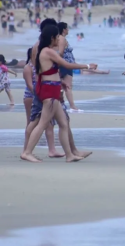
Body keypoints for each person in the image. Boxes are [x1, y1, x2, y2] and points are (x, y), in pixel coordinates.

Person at [21, 25, 96, 163]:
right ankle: (27, 152)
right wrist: (87, 66)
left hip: (53, 90)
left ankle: (69, 155)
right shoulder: (47, 51)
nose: (59, 39)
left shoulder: (47, 51)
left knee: (63, 123)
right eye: (57, 37)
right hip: (49, 92)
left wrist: (60, 83)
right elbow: (66, 64)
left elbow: (50, 72)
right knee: (43, 123)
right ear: (52, 38)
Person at [21, 49, 63, 158]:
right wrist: (39, 95)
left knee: (49, 124)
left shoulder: (42, 66)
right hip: (32, 97)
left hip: (42, 96)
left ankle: (52, 150)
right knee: (31, 123)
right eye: (35, 54)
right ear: (31, 55)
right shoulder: (28, 68)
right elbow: (30, 85)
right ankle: (26, 150)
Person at [57, 22, 80, 111]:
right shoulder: (62, 39)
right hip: (66, 65)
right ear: (63, 29)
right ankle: (72, 106)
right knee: (68, 86)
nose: (68, 30)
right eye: (67, 28)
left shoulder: (60, 38)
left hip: (67, 64)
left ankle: (62, 104)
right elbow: (61, 52)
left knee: (63, 86)